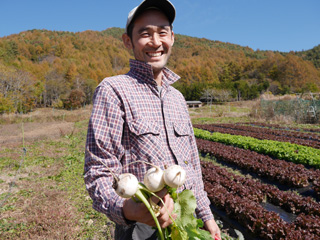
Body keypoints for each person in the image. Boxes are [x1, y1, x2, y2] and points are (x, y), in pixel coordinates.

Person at [84, 0, 221, 239]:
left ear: (172, 38)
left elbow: (193, 166)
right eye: (145, 33)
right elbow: (99, 170)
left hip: (186, 220)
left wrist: (206, 215)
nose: (156, 42)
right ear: (128, 42)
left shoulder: (177, 98)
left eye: (162, 32)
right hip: (142, 225)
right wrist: (128, 209)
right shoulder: (114, 90)